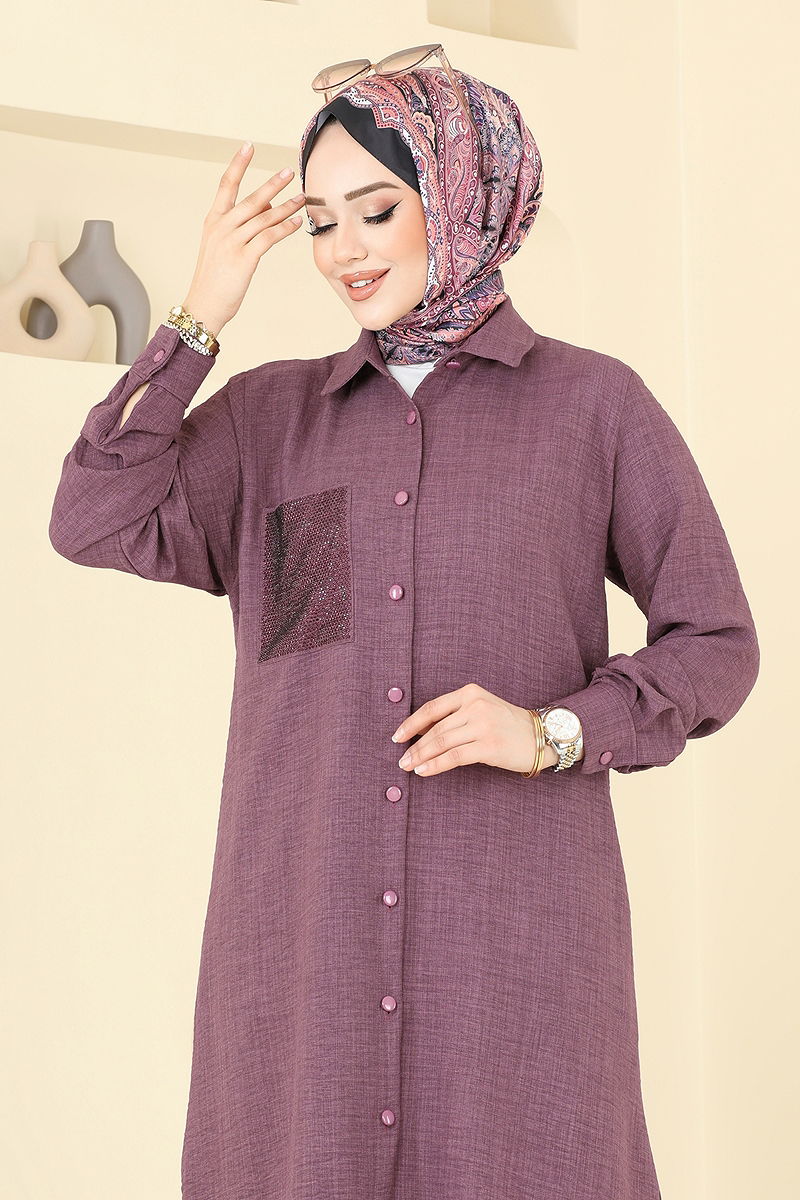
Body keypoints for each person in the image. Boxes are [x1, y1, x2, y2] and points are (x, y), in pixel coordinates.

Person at [48, 58, 758, 1200]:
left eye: (376, 210)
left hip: (512, 952)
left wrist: (553, 732)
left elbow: (714, 640)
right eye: (320, 221)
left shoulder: (594, 407)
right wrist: (200, 313)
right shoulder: (271, 420)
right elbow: (92, 517)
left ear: (466, 195)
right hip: (305, 953)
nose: (344, 250)